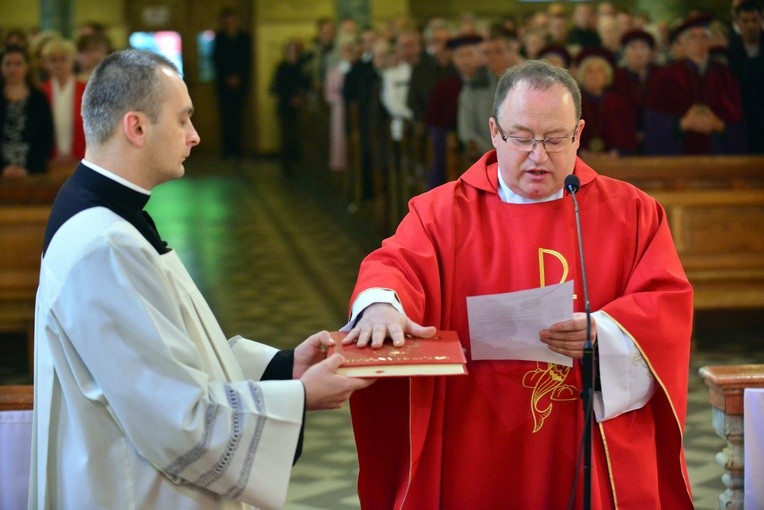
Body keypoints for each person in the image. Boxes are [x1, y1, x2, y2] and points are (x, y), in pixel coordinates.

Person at [342, 60, 694, 509]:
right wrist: (380, 306)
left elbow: (665, 306)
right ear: (494, 131)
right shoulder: (442, 213)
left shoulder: (633, 213)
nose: (538, 155)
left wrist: (603, 332)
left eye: (555, 139)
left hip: (580, 432)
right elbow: (394, 265)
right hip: (473, 434)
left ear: (579, 133)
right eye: (522, 138)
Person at [30, 49, 372, 509]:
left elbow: (167, 355)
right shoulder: (104, 245)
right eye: (183, 119)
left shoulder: (105, 215)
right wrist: (299, 396)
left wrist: (282, 368)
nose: (194, 136)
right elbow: (173, 418)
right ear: (136, 127)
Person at [644, 14, 746, 155]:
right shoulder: (666, 76)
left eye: (704, 36)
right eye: (692, 36)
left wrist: (719, 124)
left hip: (718, 159)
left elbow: (739, 122)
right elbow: (654, 124)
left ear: (710, 41)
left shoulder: (725, 76)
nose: (699, 41)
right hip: (679, 163)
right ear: (682, 42)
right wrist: (682, 124)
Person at [0, 45, 54, 177]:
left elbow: (46, 137)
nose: (13, 69)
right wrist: (3, 168)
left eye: (18, 64)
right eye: (8, 64)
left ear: (27, 67)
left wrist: (29, 168)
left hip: (33, 172)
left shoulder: (38, 99)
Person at [213, 7, 252, 159]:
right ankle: (227, 149)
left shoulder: (244, 37)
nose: (230, 22)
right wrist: (227, 77)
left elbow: (247, 60)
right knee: (226, 116)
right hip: (223, 84)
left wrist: (239, 77)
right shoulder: (219, 38)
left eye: (232, 18)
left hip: (241, 83)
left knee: (238, 116)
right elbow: (216, 60)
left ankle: (238, 150)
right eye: (227, 19)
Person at [40, 38, 87, 164]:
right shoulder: (40, 92)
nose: (58, 64)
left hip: (81, 159)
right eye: (53, 60)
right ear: (46, 64)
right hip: (50, 160)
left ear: (73, 61)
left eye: (63, 59)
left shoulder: (86, 89)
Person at [727, 0, 764, 153]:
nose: (750, 26)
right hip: (742, 122)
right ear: (737, 23)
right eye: (745, 21)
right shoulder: (729, 51)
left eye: (754, 20)